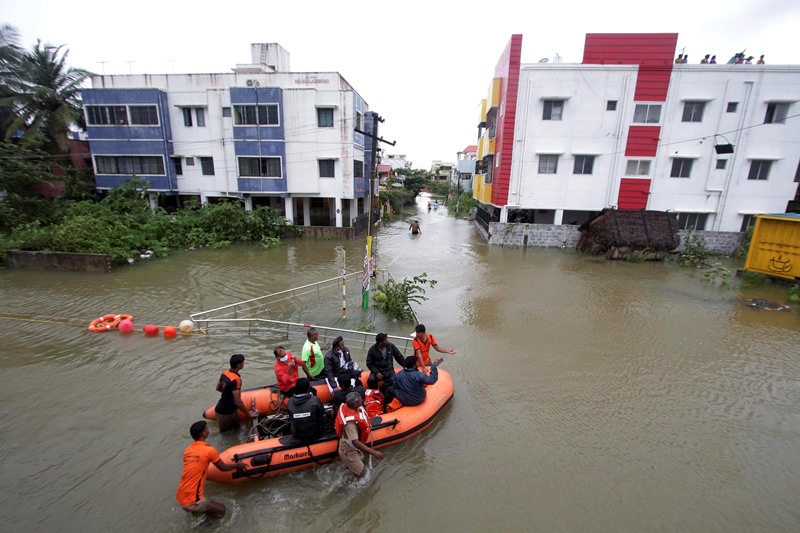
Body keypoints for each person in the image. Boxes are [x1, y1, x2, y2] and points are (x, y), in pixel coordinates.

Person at [175, 421, 245, 519]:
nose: (208, 430)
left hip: (181, 496)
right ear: (203, 433)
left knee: (204, 511)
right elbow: (223, 468)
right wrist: (237, 465)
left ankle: (199, 520)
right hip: (193, 500)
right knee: (221, 510)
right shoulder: (209, 450)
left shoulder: (188, 450)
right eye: (207, 429)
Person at [335, 392, 384, 477]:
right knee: (364, 475)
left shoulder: (351, 408)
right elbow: (355, 442)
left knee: (354, 471)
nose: (362, 400)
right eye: (359, 400)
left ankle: (351, 469)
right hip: (348, 451)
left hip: (349, 445)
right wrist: (374, 452)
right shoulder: (350, 424)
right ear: (354, 404)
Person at [214, 354, 252, 433]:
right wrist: (249, 414)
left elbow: (218, 388)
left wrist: (228, 395)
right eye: (242, 363)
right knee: (226, 434)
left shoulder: (224, 373)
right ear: (238, 365)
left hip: (224, 408)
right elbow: (237, 402)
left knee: (236, 431)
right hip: (226, 413)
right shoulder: (236, 379)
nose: (243, 364)